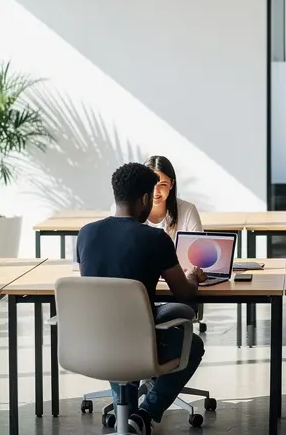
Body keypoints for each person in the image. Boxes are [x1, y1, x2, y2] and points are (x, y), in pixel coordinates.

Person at [76, 162, 208, 434]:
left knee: (115, 328)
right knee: (192, 344)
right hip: (139, 341)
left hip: (92, 341)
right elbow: (184, 293)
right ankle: (145, 414)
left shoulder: (85, 234)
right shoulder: (155, 238)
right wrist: (193, 276)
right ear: (145, 198)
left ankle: (126, 413)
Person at [110, 155, 203, 240]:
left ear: (171, 184)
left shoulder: (188, 211)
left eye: (163, 185)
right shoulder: (124, 209)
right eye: (151, 184)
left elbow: (198, 250)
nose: (156, 191)